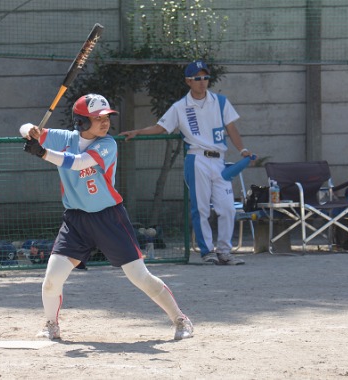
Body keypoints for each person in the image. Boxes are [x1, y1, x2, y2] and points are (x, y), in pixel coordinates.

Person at [20, 93, 193, 341]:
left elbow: (79, 163)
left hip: (109, 218)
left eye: (107, 117)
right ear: (81, 122)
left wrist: (43, 153)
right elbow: (23, 128)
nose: (105, 122)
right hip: (76, 221)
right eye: (97, 118)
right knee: (51, 279)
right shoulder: (64, 138)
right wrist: (32, 131)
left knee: (140, 277)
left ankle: (180, 319)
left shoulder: (108, 144)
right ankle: (51, 324)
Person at [120, 59, 254, 265]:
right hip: (197, 158)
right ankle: (207, 251)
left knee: (227, 207)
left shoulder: (220, 102)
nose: (203, 82)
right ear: (188, 81)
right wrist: (137, 132)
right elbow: (161, 127)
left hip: (220, 161)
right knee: (200, 207)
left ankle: (225, 251)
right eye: (197, 78)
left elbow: (232, 129)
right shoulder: (180, 107)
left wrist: (243, 150)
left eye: (206, 77)